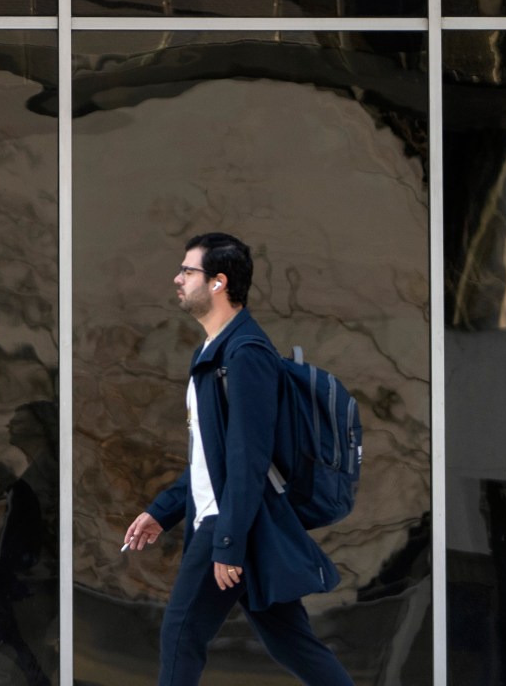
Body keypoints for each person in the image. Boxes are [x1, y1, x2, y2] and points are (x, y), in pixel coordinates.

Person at [118, 233, 350, 686]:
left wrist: (227, 544)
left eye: (188, 271)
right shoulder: (214, 352)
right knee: (293, 643)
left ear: (219, 283)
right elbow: (213, 459)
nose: (177, 279)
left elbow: (248, 458)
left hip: (228, 521)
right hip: (231, 518)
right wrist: (162, 511)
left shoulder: (246, 355)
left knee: (181, 637)